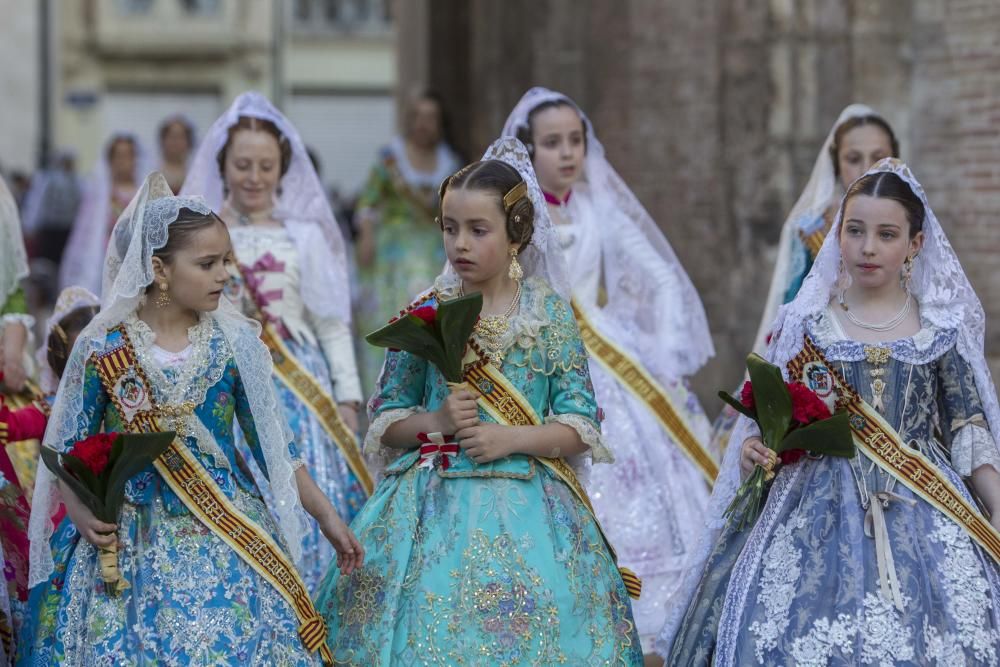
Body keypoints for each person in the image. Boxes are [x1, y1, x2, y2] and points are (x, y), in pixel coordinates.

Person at [314, 137, 644, 666]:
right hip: (429, 500)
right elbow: (387, 420)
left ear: (517, 234)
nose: (459, 244)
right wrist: (435, 421)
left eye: (477, 230)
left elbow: (579, 423)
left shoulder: (550, 316)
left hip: (533, 501)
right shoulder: (427, 309)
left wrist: (511, 438)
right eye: (449, 228)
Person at [658, 159, 1000, 665]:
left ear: (915, 244)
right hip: (815, 502)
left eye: (886, 234)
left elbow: (969, 428)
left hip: (927, 503)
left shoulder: (940, 331)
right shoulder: (807, 327)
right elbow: (774, 426)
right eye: (855, 230)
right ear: (838, 234)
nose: (867, 247)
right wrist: (756, 451)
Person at [20, 172, 362, 664]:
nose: (224, 274)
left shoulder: (234, 344)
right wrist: (77, 509)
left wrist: (327, 515)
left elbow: (275, 451)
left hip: (225, 527)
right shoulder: (104, 349)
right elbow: (69, 448)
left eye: (227, 261)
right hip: (128, 534)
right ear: (159, 269)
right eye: (207, 264)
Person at [502, 87, 716, 653]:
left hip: (609, 353)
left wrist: (665, 350)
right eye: (552, 143)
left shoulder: (599, 209)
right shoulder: (514, 213)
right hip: (543, 352)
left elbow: (663, 277)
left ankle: (651, 607)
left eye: (575, 140)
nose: (568, 153)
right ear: (529, 151)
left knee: (642, 464)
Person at [181, 92, 369, 589]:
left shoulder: (305, 234)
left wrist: (348, 396)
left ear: (283, 167)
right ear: (223, 165)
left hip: (298, 379)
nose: (254, 176)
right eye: (243, 164)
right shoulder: (200, 232)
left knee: (313, 485)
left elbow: (331, 320)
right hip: (225, 379)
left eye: (266, 165)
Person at [709, 105, 900, 459]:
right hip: (824, 367)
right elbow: (793, 308)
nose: (866, 169)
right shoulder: (811, 229)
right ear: (836, 163)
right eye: (853, 158)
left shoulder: (913, 227)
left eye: (878, 156)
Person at [353, 91, 463, 393]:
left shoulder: (449, 162)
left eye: (431, 118)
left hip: (433, 251)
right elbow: (367, 204)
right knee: (391, 319)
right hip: (393, 257)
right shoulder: (389, 159)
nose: (424, 124)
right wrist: (366, 236)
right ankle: (385, 391)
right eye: (418, 117)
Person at [59, 134, 146, 294]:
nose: (123, 161)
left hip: (137, 262)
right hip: (104, 261)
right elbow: (84, 233)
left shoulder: (144, 193)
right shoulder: (98, 195)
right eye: (118, 156)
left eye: (128, 155)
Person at [157, 115, 196, 195]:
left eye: (180, 137)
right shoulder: (152, 172)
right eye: (172, 137)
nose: (176, 142)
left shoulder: (196, 174)